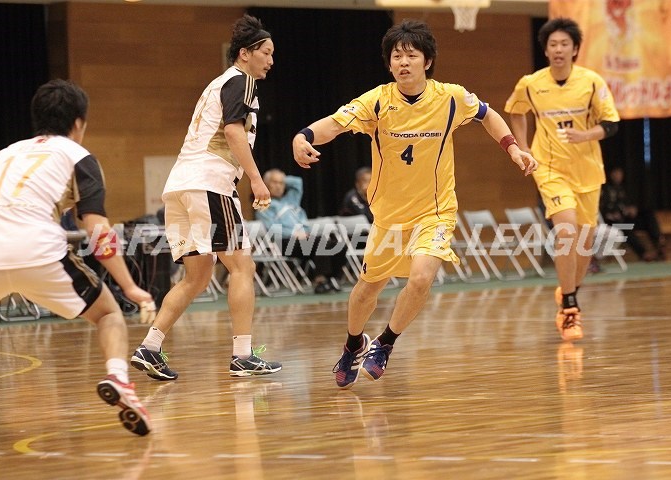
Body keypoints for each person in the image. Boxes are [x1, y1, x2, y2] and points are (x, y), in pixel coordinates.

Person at [292, 19, 537, 389]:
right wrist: (304, 136)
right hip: (389, 216)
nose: (403, 62)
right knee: (367, 289)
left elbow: (488, 115)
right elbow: (336, 124)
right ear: (389, 64)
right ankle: (353, 344)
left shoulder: (451, 98)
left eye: (411, 55)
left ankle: (385, 342)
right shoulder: (377, 101)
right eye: (396, 56)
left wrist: (513, 148)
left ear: (428, 61)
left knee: (421, 278)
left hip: (435, 212)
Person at [0, 79, 152, 435]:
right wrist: (129, 286)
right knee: (109, 313)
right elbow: (97, 228)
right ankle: (119, 379)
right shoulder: (78, 155)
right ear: (79, 123)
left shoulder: (2, 155)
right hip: (39, 252)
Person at [130, 15, 281, 381]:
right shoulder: (241, 80)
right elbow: (232, 131)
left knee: (196, 277)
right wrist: (256, 180)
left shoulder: (218, 83)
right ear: (244, 54)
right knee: (242, 267)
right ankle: (242, 355)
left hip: (180, 186)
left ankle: (150, 346)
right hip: (209, 184)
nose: (270, 60)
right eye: (265, 52)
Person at [505, 17, 620, 342]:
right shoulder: (531, 83)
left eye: (564, 44)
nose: (558, 49)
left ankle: (568, 290)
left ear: (575, 49)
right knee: (566, 231)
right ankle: (570, 310)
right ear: (546, 50)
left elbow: (611, 124)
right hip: (550, 168)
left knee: (584, 245)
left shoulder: (592, 82)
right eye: (552, 44)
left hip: (588, 171)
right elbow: (516, 111)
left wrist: (586, 135)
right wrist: (523, 148)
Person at [257, 168, 346, 294]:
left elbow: (297, 182)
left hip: (305, 239)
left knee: (339, 245)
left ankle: (332, 279)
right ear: (266, 184)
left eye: (281, 183)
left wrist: (282, 179)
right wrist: (294, 234)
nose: (278, 186)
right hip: (284, 242)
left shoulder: (291, 200)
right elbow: (272, 229)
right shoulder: (264, 204)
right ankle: (320, 280)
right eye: (274, 183)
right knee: (320, 242)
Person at [600, 166, 666, 261]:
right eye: (616, 173)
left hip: (625, 219)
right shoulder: (604, 189)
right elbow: (601, 209)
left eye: (620, 173)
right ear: (611, 174)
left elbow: (627, 204)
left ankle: (659, 241)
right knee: (625, 228)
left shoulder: (622, 188)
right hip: (612, 223)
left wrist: (631, 209)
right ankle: (643, 253)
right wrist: (611, 214)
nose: (618, 176)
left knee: (647, 214)